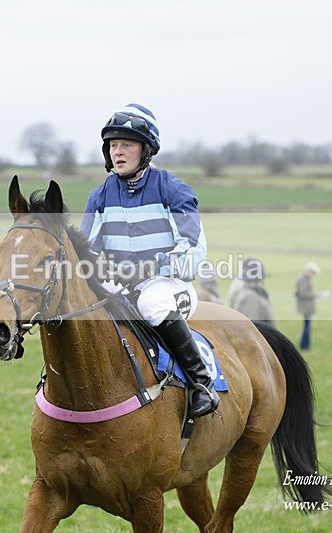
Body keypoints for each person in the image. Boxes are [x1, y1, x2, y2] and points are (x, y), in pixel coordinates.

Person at [80, 103, 219, 417]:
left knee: (151, 305)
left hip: (168, 285)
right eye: (113, 145)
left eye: (126, 144)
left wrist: (151, 267)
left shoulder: (173, 190)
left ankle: (201, 383)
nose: (118, 152)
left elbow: (194, 251)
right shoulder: (99, 196)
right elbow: (86, 251)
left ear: (146, 150)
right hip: (120, 284)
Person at [230, 258, 276, 328]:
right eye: (262, 278)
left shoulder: (252, 294)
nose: (264, 281)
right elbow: (254, 328)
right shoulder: (250, 298)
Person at [295, 261, 329, 350]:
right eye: (313, 273)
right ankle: (304, 346)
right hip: (306, 307)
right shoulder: (302, 280)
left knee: (307, 327)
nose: (313, 275)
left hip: (308, 307)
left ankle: (306, 345)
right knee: (307, 327)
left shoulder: (305, 279)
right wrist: (317, 294)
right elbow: (303, 293)